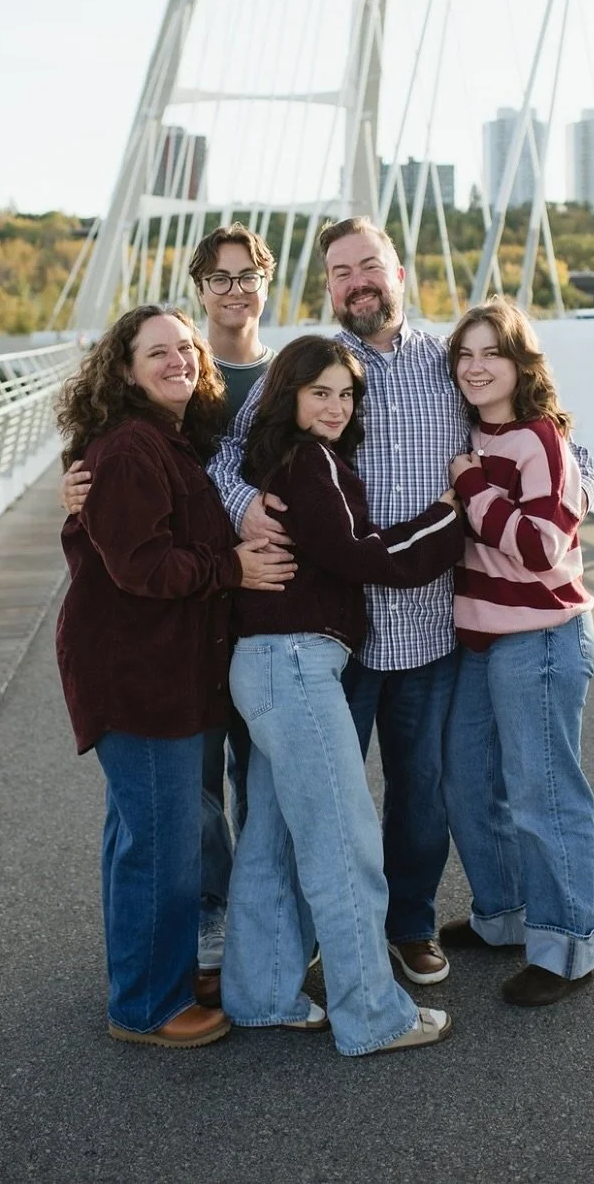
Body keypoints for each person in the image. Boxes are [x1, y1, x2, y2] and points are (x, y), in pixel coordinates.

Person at [209, 215, 594, 986]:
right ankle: (319, 934)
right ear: (329, 288)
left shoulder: (449, 362)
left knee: (423, 797)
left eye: (368, 265)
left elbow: (545, 435)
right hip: (338, 629)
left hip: (432, 628)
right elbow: (231, 455)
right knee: (318, 796)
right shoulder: (313, 365)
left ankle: (409, 924)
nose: (356, 282)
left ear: (398, 270)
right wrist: (241, 505)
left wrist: (568, 490)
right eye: (339, 273)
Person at [54, 304, 294, 1049]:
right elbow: (140, 566)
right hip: (139, 674)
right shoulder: (131, 448)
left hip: (156, 668)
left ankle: (147, 977)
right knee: (160, 843)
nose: (178, 361)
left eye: (187, 349)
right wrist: (234, 567)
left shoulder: (170, 441)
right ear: (124, 369)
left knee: (140, 834)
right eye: (157, 352)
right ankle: (147, 1007)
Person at [222, 335, 464, 1054]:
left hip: (267, 665)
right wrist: (451, 511)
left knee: (271, 840)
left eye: (345, 394)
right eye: (319, 391)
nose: (335, 405)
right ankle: (373, 1016)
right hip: (296, 666)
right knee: (344, 845)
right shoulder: (312, 462)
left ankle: (260, 995)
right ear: (288, 395)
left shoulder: (280, 460)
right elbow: (365, 556)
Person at [438, 297, 594, 1007]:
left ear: (519, 363)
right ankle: (504, 917)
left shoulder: (538, 442)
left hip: (539, 636)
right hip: (479, 638)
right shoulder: (472, 436)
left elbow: (539, 548)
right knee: (467, 783)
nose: (475, 368)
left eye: (490, 354)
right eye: (464, 356)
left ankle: (567, 945)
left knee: (543, 793)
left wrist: (470, 484)